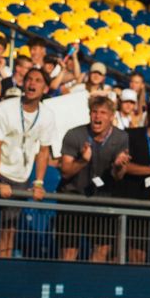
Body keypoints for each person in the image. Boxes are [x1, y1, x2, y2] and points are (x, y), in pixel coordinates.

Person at [0, 66, 58, 258]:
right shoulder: (4, 108)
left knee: (9, 229)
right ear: (23, 83)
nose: (32, 83)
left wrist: (39, 183)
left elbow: (43, 152)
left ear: (46, 89)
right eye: (29, 79)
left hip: (20, 175)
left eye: (38, 80)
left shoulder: (47, 115)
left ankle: (3, 269)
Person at [56, 94, 128, 263]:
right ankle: (64, 285)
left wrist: (118, 166)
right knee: (69, 251)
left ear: (112, 116)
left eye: (103, 113)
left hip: (102, 199)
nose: (97, 116)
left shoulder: (121, 138)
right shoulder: (75, 134)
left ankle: (90, 286)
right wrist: (82, 161)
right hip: (72, 198)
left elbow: (119, 177)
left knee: (102, 249)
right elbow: (65, 172)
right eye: (94, 112)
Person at [108, 97, 150, 264]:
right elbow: (124, 167)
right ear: (149, 115)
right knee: (115, 254)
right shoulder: (131, 135)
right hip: (122, 201)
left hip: (145, 207)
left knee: (138, 256)